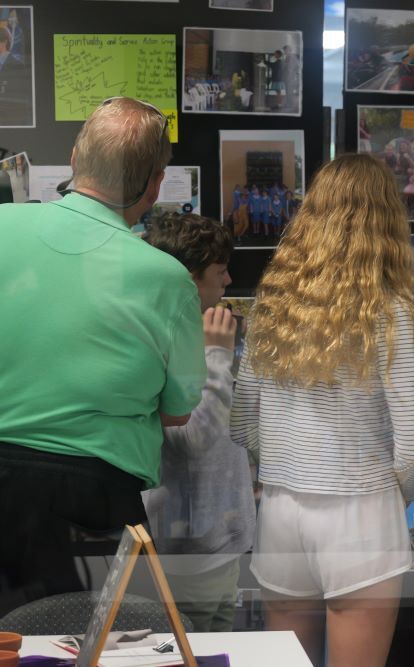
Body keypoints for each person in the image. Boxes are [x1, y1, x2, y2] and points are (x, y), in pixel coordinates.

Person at [0, 97, 206, 614]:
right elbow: (178, 411)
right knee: (98, 642)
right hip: (94, 504)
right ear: (156, 184)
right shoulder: (167, 279)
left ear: (75, 158)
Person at [230, 153, 414, 667]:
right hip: (361, 511)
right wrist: (403, 495)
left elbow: (242, 422)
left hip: (281, 510)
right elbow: (412, 451)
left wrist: (286, 462)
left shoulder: (273, 302)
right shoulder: (389, 310)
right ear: (387, 221)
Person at [140, 213, 255, 633]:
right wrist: (218, 355)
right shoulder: (156, 341)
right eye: (220, 271)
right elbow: (191, 438)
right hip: (189, 545)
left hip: (221, 540)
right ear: (189, 280)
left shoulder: (198, 331)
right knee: (193, 650)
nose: (228, 281)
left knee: (216, 649)